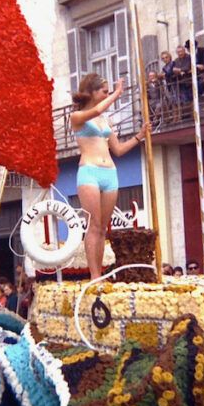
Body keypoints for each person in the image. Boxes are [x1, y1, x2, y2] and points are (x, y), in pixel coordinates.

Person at [70, 73, 149, 280]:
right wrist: (117, 93)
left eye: (108, 92)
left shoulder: (105, 121)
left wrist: (139, 136)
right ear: (92, 92)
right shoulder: (77, 117)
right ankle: (94, 275)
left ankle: (99, 273)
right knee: (93, 225)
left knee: (103, 228)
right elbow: (96, 109)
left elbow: (119, 149)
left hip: (110, 173)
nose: (106, 94)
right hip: (89, 171)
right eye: (103, 91)